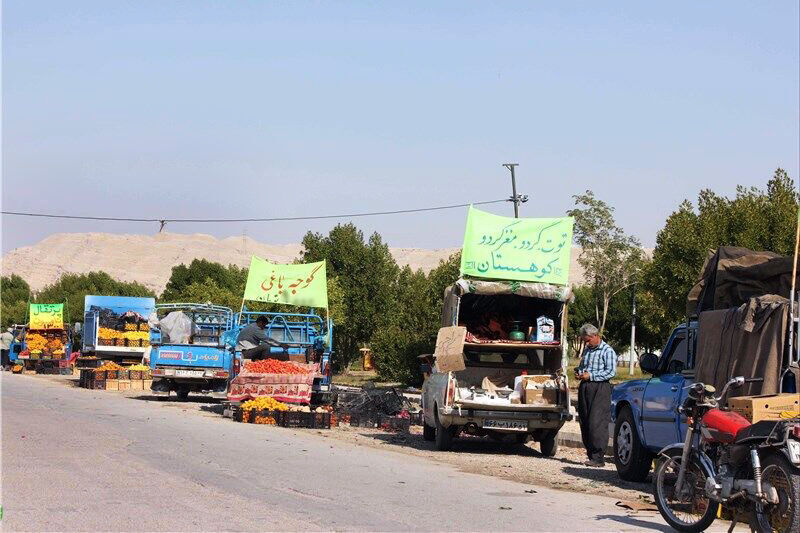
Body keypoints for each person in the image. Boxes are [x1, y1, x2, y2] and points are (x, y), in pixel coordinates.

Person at [575, 323, 617, 467]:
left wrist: (591, 376)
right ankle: (591, 455)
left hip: (600, 388)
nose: (586, 343)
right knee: (585, 420)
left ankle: (598, 457)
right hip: (585, 387)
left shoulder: (607, 351)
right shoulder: (587, 350)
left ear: (595, 336)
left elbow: (610, 372)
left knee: (597, 422)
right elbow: (583, 367)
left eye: (587, 340)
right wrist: (579, 372)